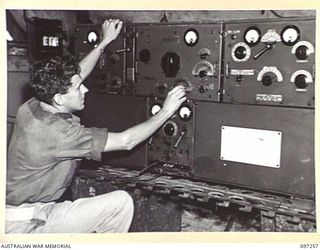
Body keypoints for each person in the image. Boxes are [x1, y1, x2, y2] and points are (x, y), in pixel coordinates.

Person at [6, 19, 186, 233]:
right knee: (120, 205)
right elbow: (126, 141)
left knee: (116, 202)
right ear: (60, 99)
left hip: (20, 211)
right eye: (79, 88)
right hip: (23, 225)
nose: (85, 90)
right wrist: (166, 111)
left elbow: (75, 76)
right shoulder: (61, 134)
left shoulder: (33, 106)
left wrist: (104, 42)